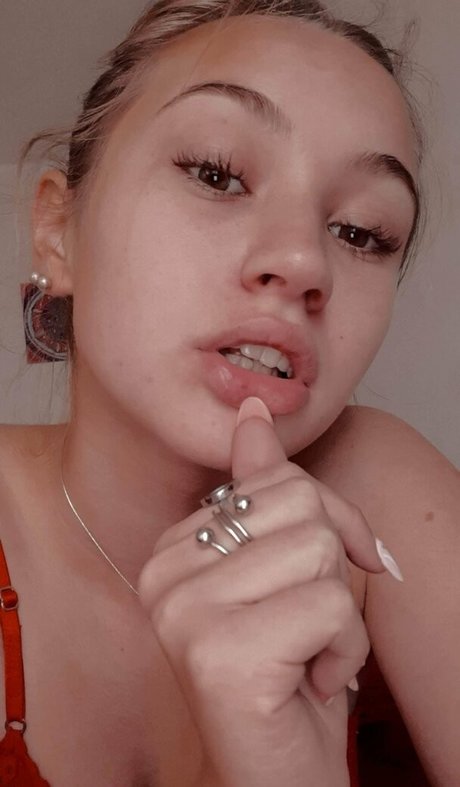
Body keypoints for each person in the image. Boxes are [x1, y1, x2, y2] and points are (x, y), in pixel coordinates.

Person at [0, 0, 458, 784]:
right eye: (216, 173)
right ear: (59, 231)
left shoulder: (380, 489)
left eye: (361, 232)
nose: (305, 261)